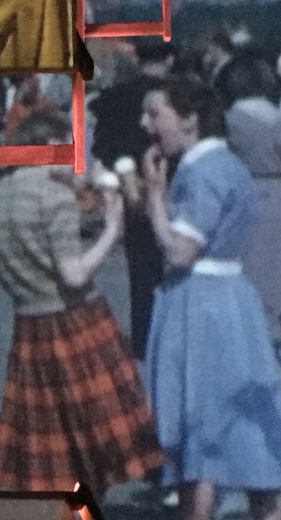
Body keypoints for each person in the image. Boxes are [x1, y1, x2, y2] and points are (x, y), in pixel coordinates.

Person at [137, 77, 281, 520]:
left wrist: (154, 196)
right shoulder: (232, 165)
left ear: (189, 118)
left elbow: (179, 250)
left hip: (200, 304)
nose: (147, 125)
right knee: (251, 418)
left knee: (199, 421)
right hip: (235, 299)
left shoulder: (202, 171)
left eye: (155, 114)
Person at [0, 111, 165, 497]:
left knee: (52, 437)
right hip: (75, 318)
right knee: (97, 433)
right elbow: (74, 274)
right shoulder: (54, 198)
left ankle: (67, 515)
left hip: (29, 321)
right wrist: (112, 229)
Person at [219, 56, 281, 353]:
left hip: (245, 190)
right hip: (280, 191)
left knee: (249, 265)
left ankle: (250, 335)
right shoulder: (280, 117)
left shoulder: (231, 119)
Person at [89, 41, 177, 360]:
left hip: (132, 186)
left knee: (142, 268)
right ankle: (177, 335)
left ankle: (144, 337)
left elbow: (101, 147)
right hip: (175, 184)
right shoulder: (178, 95)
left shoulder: (116, 97)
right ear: (170, 59)